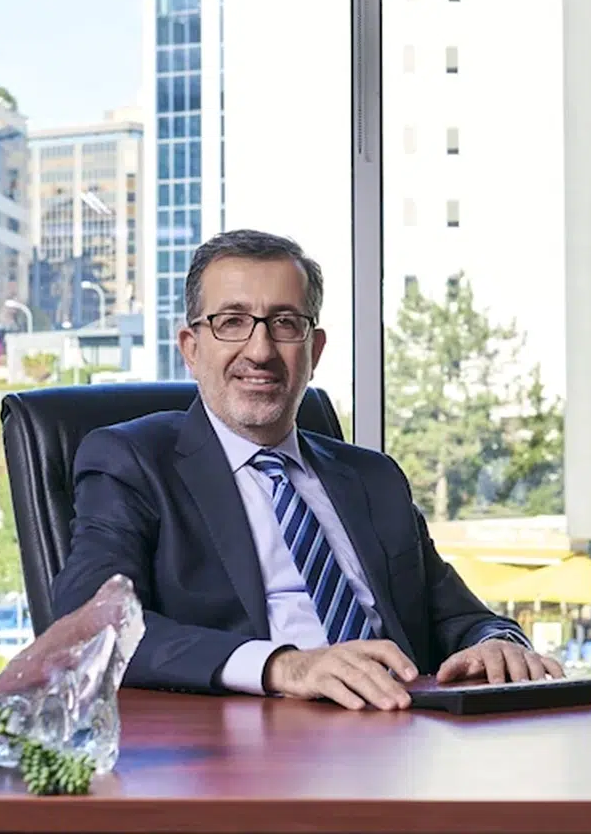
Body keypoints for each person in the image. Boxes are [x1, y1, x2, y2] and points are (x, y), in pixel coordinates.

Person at [50, 230, 564, 710]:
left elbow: (461, 618)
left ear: (314, 350)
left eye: (285, 323)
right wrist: (283, 665)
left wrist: (498, 642)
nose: (260, 351)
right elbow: (91, 626)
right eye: (232, 322)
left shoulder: (374, 478)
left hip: (405, 731)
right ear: (191, 347)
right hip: (251, 745)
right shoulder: (132, 462)